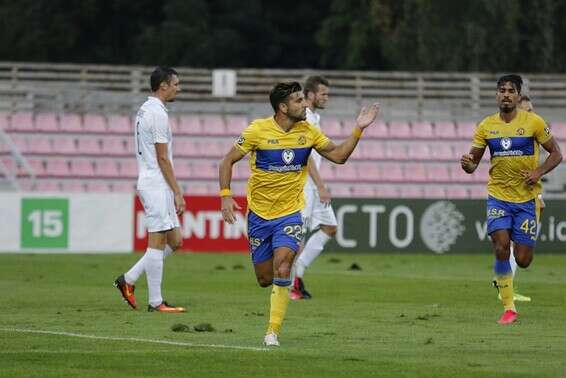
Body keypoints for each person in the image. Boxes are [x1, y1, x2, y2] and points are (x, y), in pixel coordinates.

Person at [219, 82, 379, 346]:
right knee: (264, 278)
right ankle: (278, 293)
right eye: (298, 100)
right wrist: (225, 195)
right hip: (259, 215)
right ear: (283, 107)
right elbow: (227, 161)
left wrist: (358, 129)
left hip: (291, 212)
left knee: (284, 265)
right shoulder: (257, 130)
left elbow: (339, 156)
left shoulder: (309, 131)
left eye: (304, 99)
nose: (305, 104)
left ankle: (272, 332)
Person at [460, 74, 562, 325]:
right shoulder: (486, 126)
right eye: (502, 90)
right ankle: (508, 308)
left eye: (511, 91)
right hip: (498, 197)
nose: (506, 94)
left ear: (518, 96)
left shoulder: (534, 122)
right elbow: (473, 164)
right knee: (501, 245)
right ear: (497, 95)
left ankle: (511, 283)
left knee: (523, 259)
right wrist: (467, 165)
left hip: (526, 200)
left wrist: (538, 172)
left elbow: (556, 154)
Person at [114, 66, 186, 313]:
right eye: (176, 84)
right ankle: (156, 302)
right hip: (156, 183)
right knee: (156, 241)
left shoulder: (146, 109)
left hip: (155, 181)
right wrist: (177, 191)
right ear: (163, 85)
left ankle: (129, 279)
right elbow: (162, 157)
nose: (178, 88)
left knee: (175, 240)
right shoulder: (157, 114)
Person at [291, 76, 337, 300]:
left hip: (314, 186)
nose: (326, 97)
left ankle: (296, 275)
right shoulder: (305, 118)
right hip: (305, 188)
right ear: (309, 95)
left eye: (327, 94)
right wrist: (321, 186)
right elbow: (305, 156)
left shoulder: (313, 118)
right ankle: (291, 284)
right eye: (323, 94)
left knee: (330, 227)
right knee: (296, 238)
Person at [499, 95, 543, 302]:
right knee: (515, 245)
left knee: (519, 247)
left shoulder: (535, 130)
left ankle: (505, 281)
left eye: (532, 109)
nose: (532, 114)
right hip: (517, 193)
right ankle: (504, 284)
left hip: (530, 189)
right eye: (528, 110)